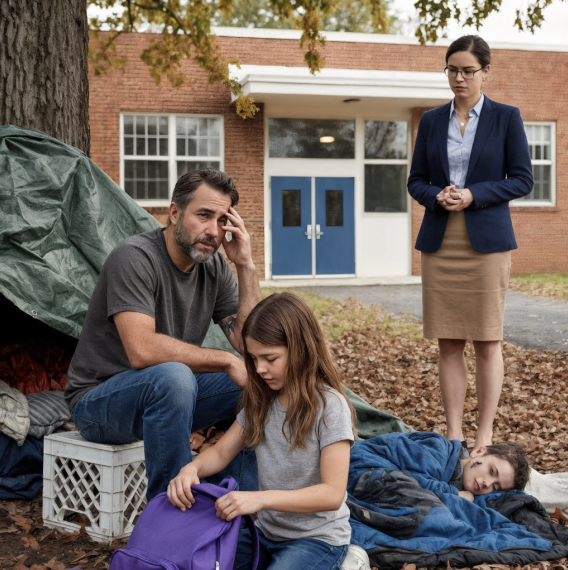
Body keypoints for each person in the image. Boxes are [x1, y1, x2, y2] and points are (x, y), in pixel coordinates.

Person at [64, 169, 262, 498]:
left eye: (221, 220)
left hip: (170, 396)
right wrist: (226, 361)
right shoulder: (134, 258)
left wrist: (245, 265)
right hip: (99, 404)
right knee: (174, 376)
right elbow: (141, 350)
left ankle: (239, 505)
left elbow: (252, 344)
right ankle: (168, 516)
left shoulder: (214, 267)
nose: (213, 231)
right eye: (203, 215)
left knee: (263, 379)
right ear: (174, 213)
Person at [167, 292, 356, 570]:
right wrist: (190, 470)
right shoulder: (262, 399)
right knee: (196, 562)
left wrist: (259, 499)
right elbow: (220, 452)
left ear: (301, 348)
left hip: (318, 540)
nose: (260, 369)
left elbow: (332, 494)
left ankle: (350, 561)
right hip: (266, 534)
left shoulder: (330, 406)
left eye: (270, 358)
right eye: (254, 359)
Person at [407, 35, 533, 449]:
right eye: (452, 70)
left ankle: (484, 433)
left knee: (487, 340)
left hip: (487, 242)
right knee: (448, 341)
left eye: (467, 71)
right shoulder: (430, 121)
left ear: (485, 72)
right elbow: (416, 181)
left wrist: (475, 194)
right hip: (442, 240)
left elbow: (522, 179)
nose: (458, 78)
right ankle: (455, 432)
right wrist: (437, 196)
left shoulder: (506, 117)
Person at [453, 442, 531, 501]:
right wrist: (455, 496)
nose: (487, 483)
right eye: (492, 471)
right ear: (478, 452)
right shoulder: (442, 455)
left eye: (495, 487)